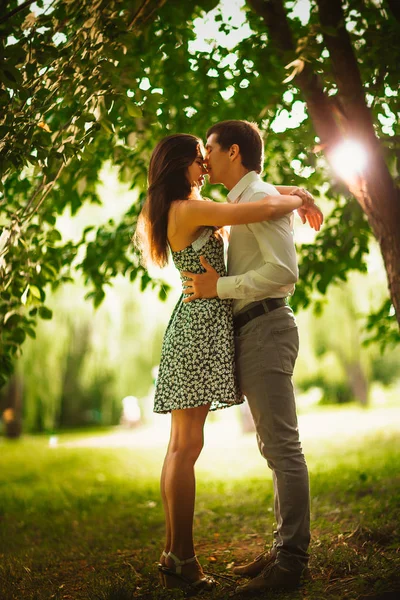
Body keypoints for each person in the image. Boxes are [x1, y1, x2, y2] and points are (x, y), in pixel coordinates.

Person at [134, 132, 321, 593]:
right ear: (181, 166)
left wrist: (297, 193)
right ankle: (182, 556)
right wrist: (297, 199)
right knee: (185, 448)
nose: (204, 166)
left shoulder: (180, 206)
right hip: (199, 330)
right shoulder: (189, 208)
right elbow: (252, 208)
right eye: (198, 160)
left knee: (182, 447)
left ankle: (176, 554)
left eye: (207, 156)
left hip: (199, 327)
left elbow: (255, 193)